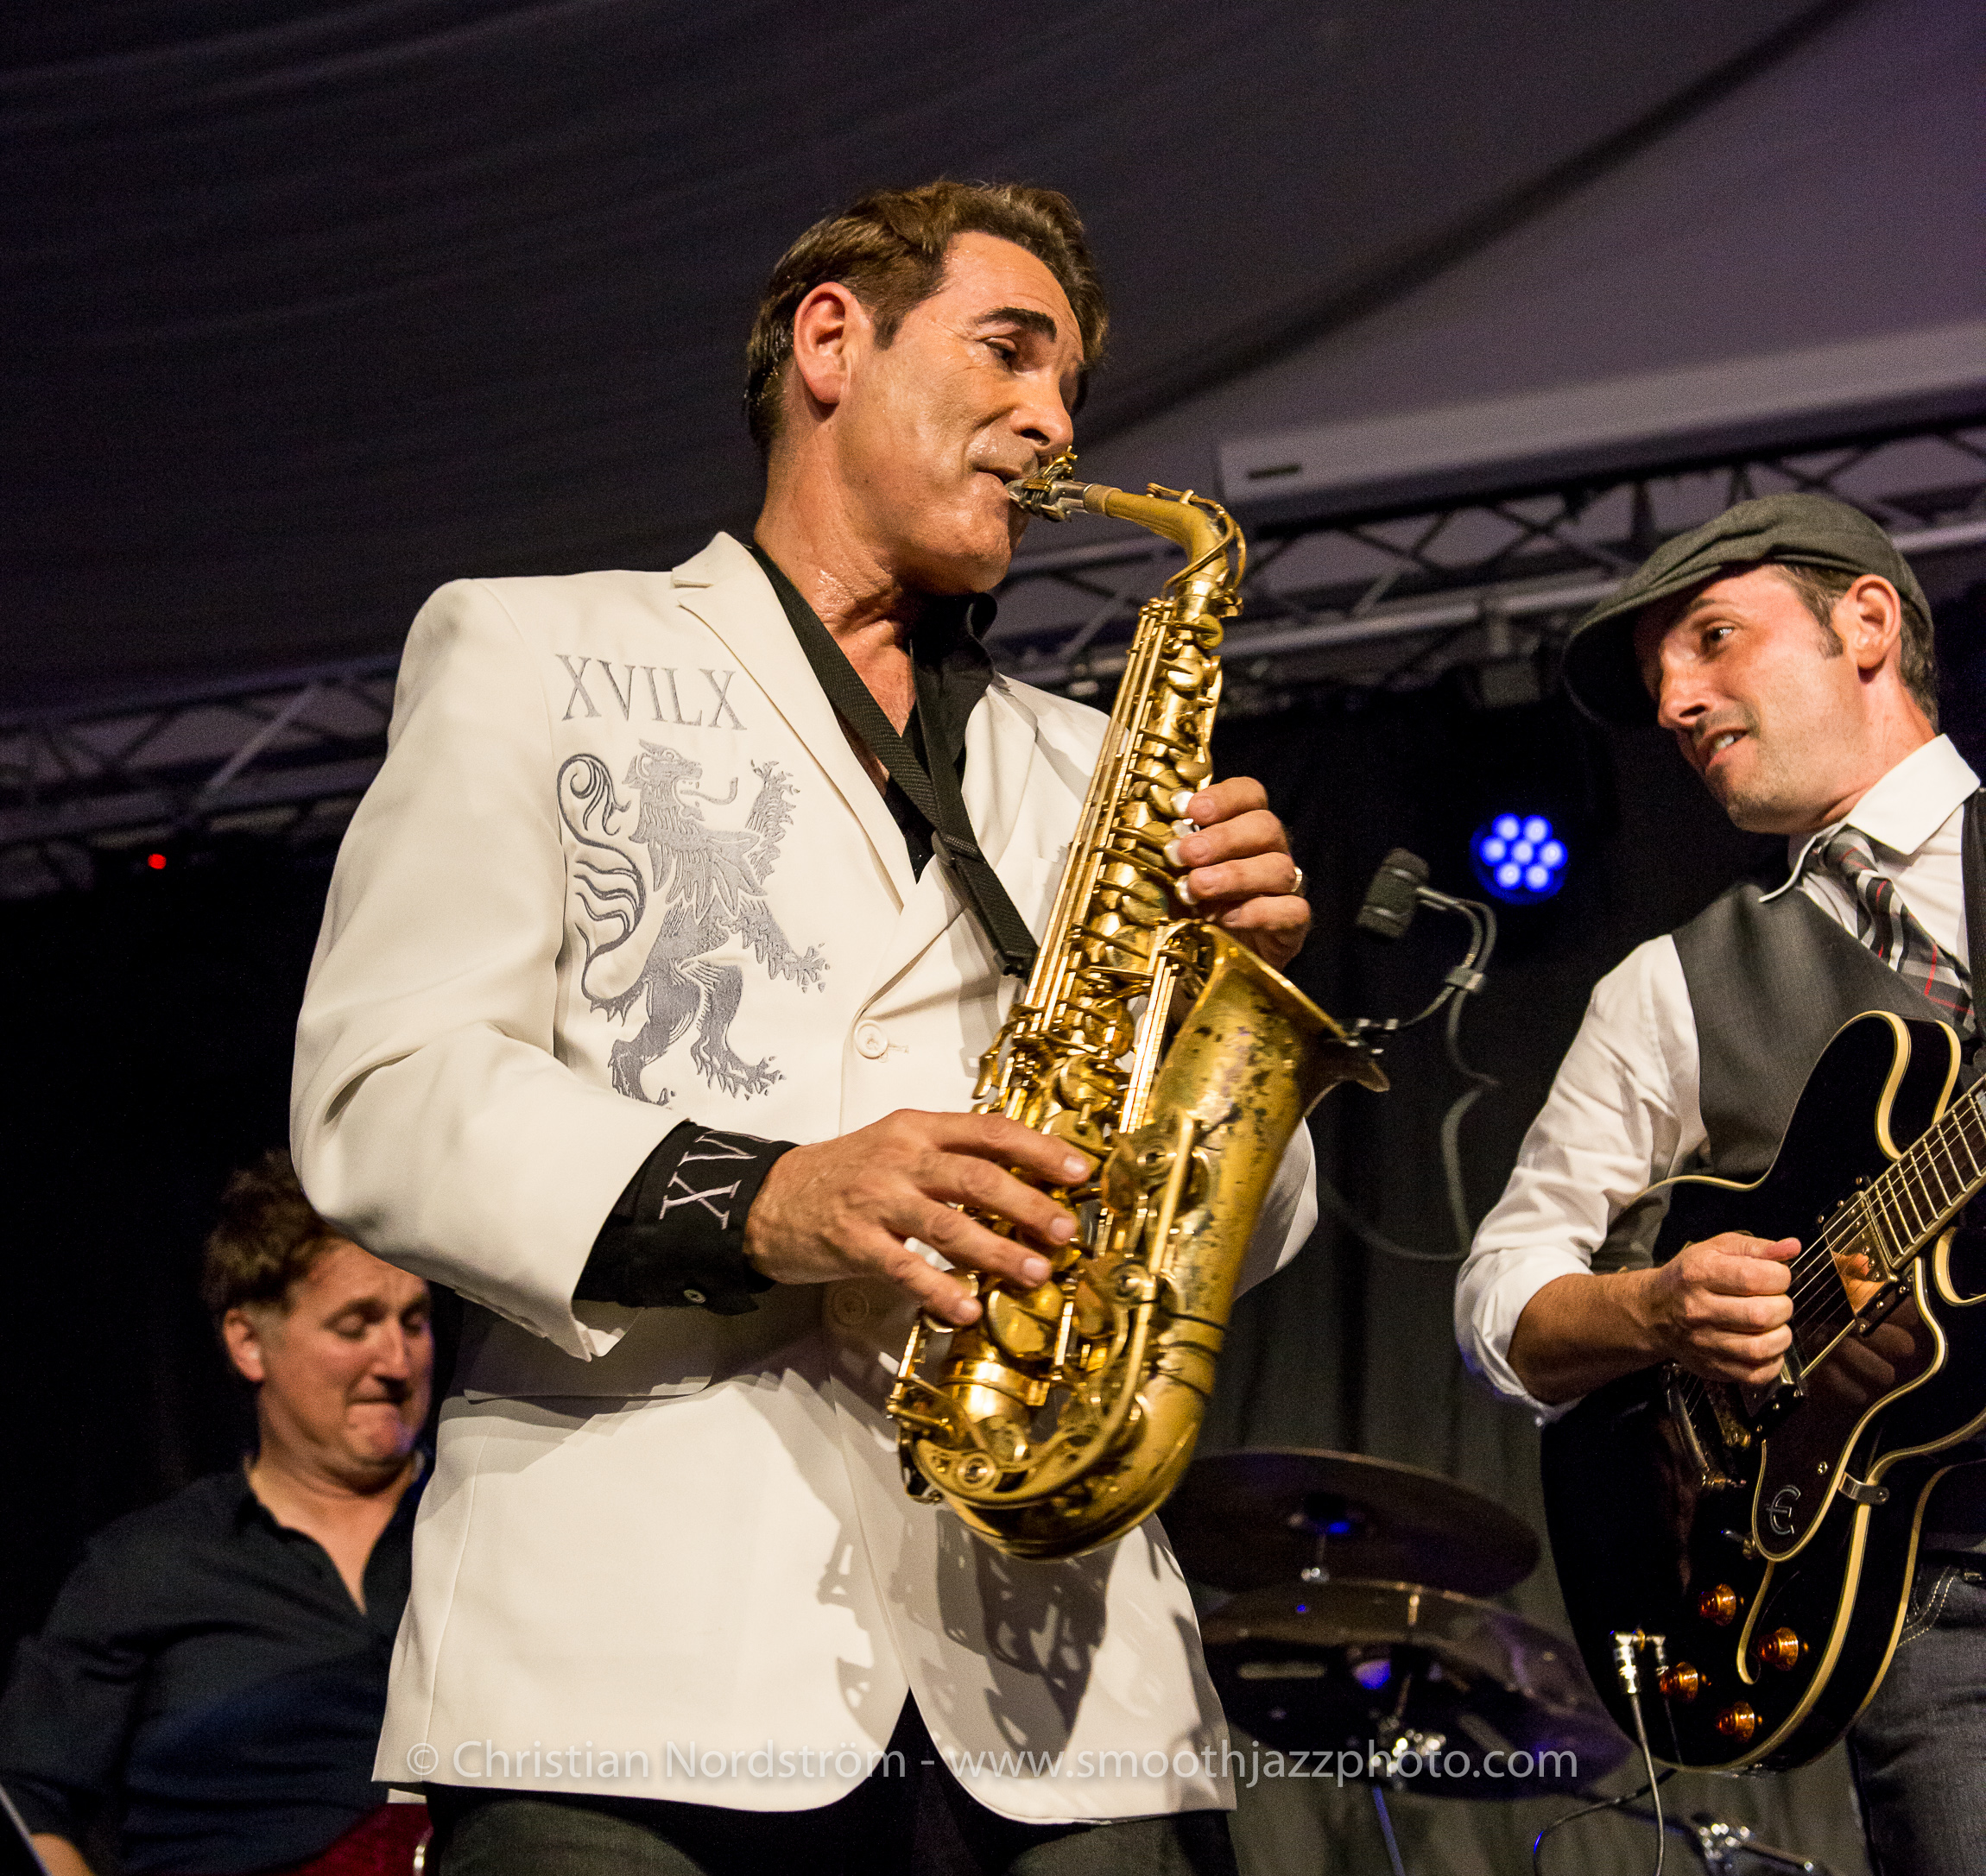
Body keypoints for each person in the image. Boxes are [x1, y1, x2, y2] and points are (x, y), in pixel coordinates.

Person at [289, 181, 1317, 1876]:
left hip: (1061, 1694)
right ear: (831, 340)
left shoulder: (1097, 761)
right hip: (631, 1672)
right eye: (1009, 352)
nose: (1055, 423)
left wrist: (1223, 1013)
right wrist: (770, 1195)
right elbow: (385, 1095)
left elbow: (1225, 1232)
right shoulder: (533, 647)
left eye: (1070, 387)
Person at [1456, 492, 1983, 1873]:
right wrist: (1655, 1310)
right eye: (1658, 681)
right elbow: (1502, 1295)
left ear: (1865, 624)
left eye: (1711, 639)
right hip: (1935, 1602)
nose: (1675, 703)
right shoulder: (1669, 986)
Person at [0, 1152, 433, 1876]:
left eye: (414, 1322)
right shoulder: (148, 1564)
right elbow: (29, 1797)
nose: (398, 1360)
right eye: (355, 1325)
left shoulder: (481, 1529)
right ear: (248, 1341)